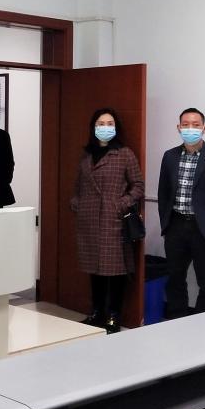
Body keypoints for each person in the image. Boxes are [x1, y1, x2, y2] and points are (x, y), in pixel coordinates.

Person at [71, 108, 144, 334]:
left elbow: (138, 186)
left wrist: (120, 204)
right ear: (94, 128)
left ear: (116, 127)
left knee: (115, 270)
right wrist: (76, 202)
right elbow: (79, 185)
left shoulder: (124, 154)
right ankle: (97, 312)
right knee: (94, 269)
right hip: (89, 220)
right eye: (100, 123)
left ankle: (113, 315)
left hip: (113, 220)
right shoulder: (87, 155)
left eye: (109, 123)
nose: (105, 127)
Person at [157, 108, 205, 319]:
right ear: (178, 128)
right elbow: (163, 192)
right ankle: (176, 320)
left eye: (196, 124)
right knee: (175, 277)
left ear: (204, 128)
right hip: (176, 225)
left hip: (204, 229)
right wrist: (165, 223)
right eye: (185, 124)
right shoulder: (170, 156)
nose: (190, 129)